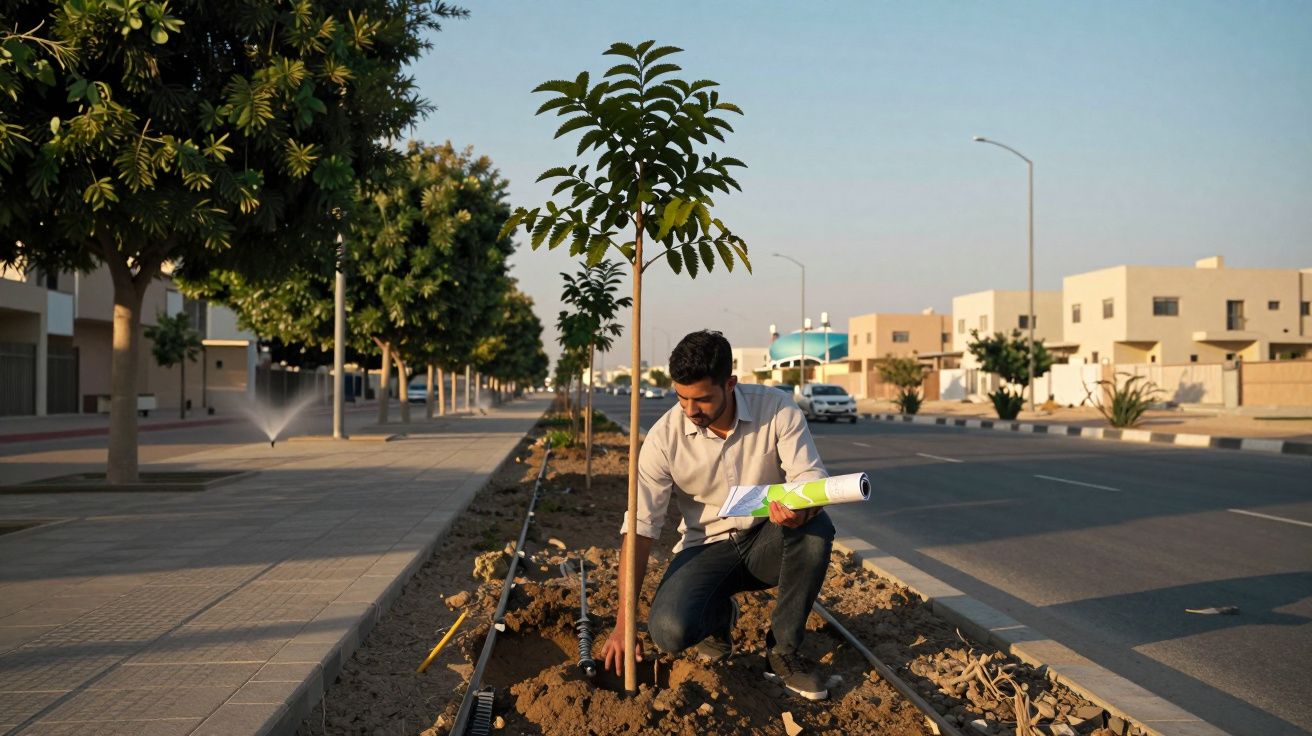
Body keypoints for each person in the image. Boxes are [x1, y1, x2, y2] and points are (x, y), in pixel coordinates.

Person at [599, 330, 836, 700]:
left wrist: (801, 511)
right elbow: (640, 528)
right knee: (668, 631)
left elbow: (810, 478)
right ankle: (719, 619)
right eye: (682, 398)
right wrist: (623, 624)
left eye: (703, 399)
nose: (691, 411)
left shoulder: (777, 409)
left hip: (766, 539)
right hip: (704, 546)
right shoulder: (664, 438)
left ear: (730, 384)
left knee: (817, 528)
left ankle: (784, 651)